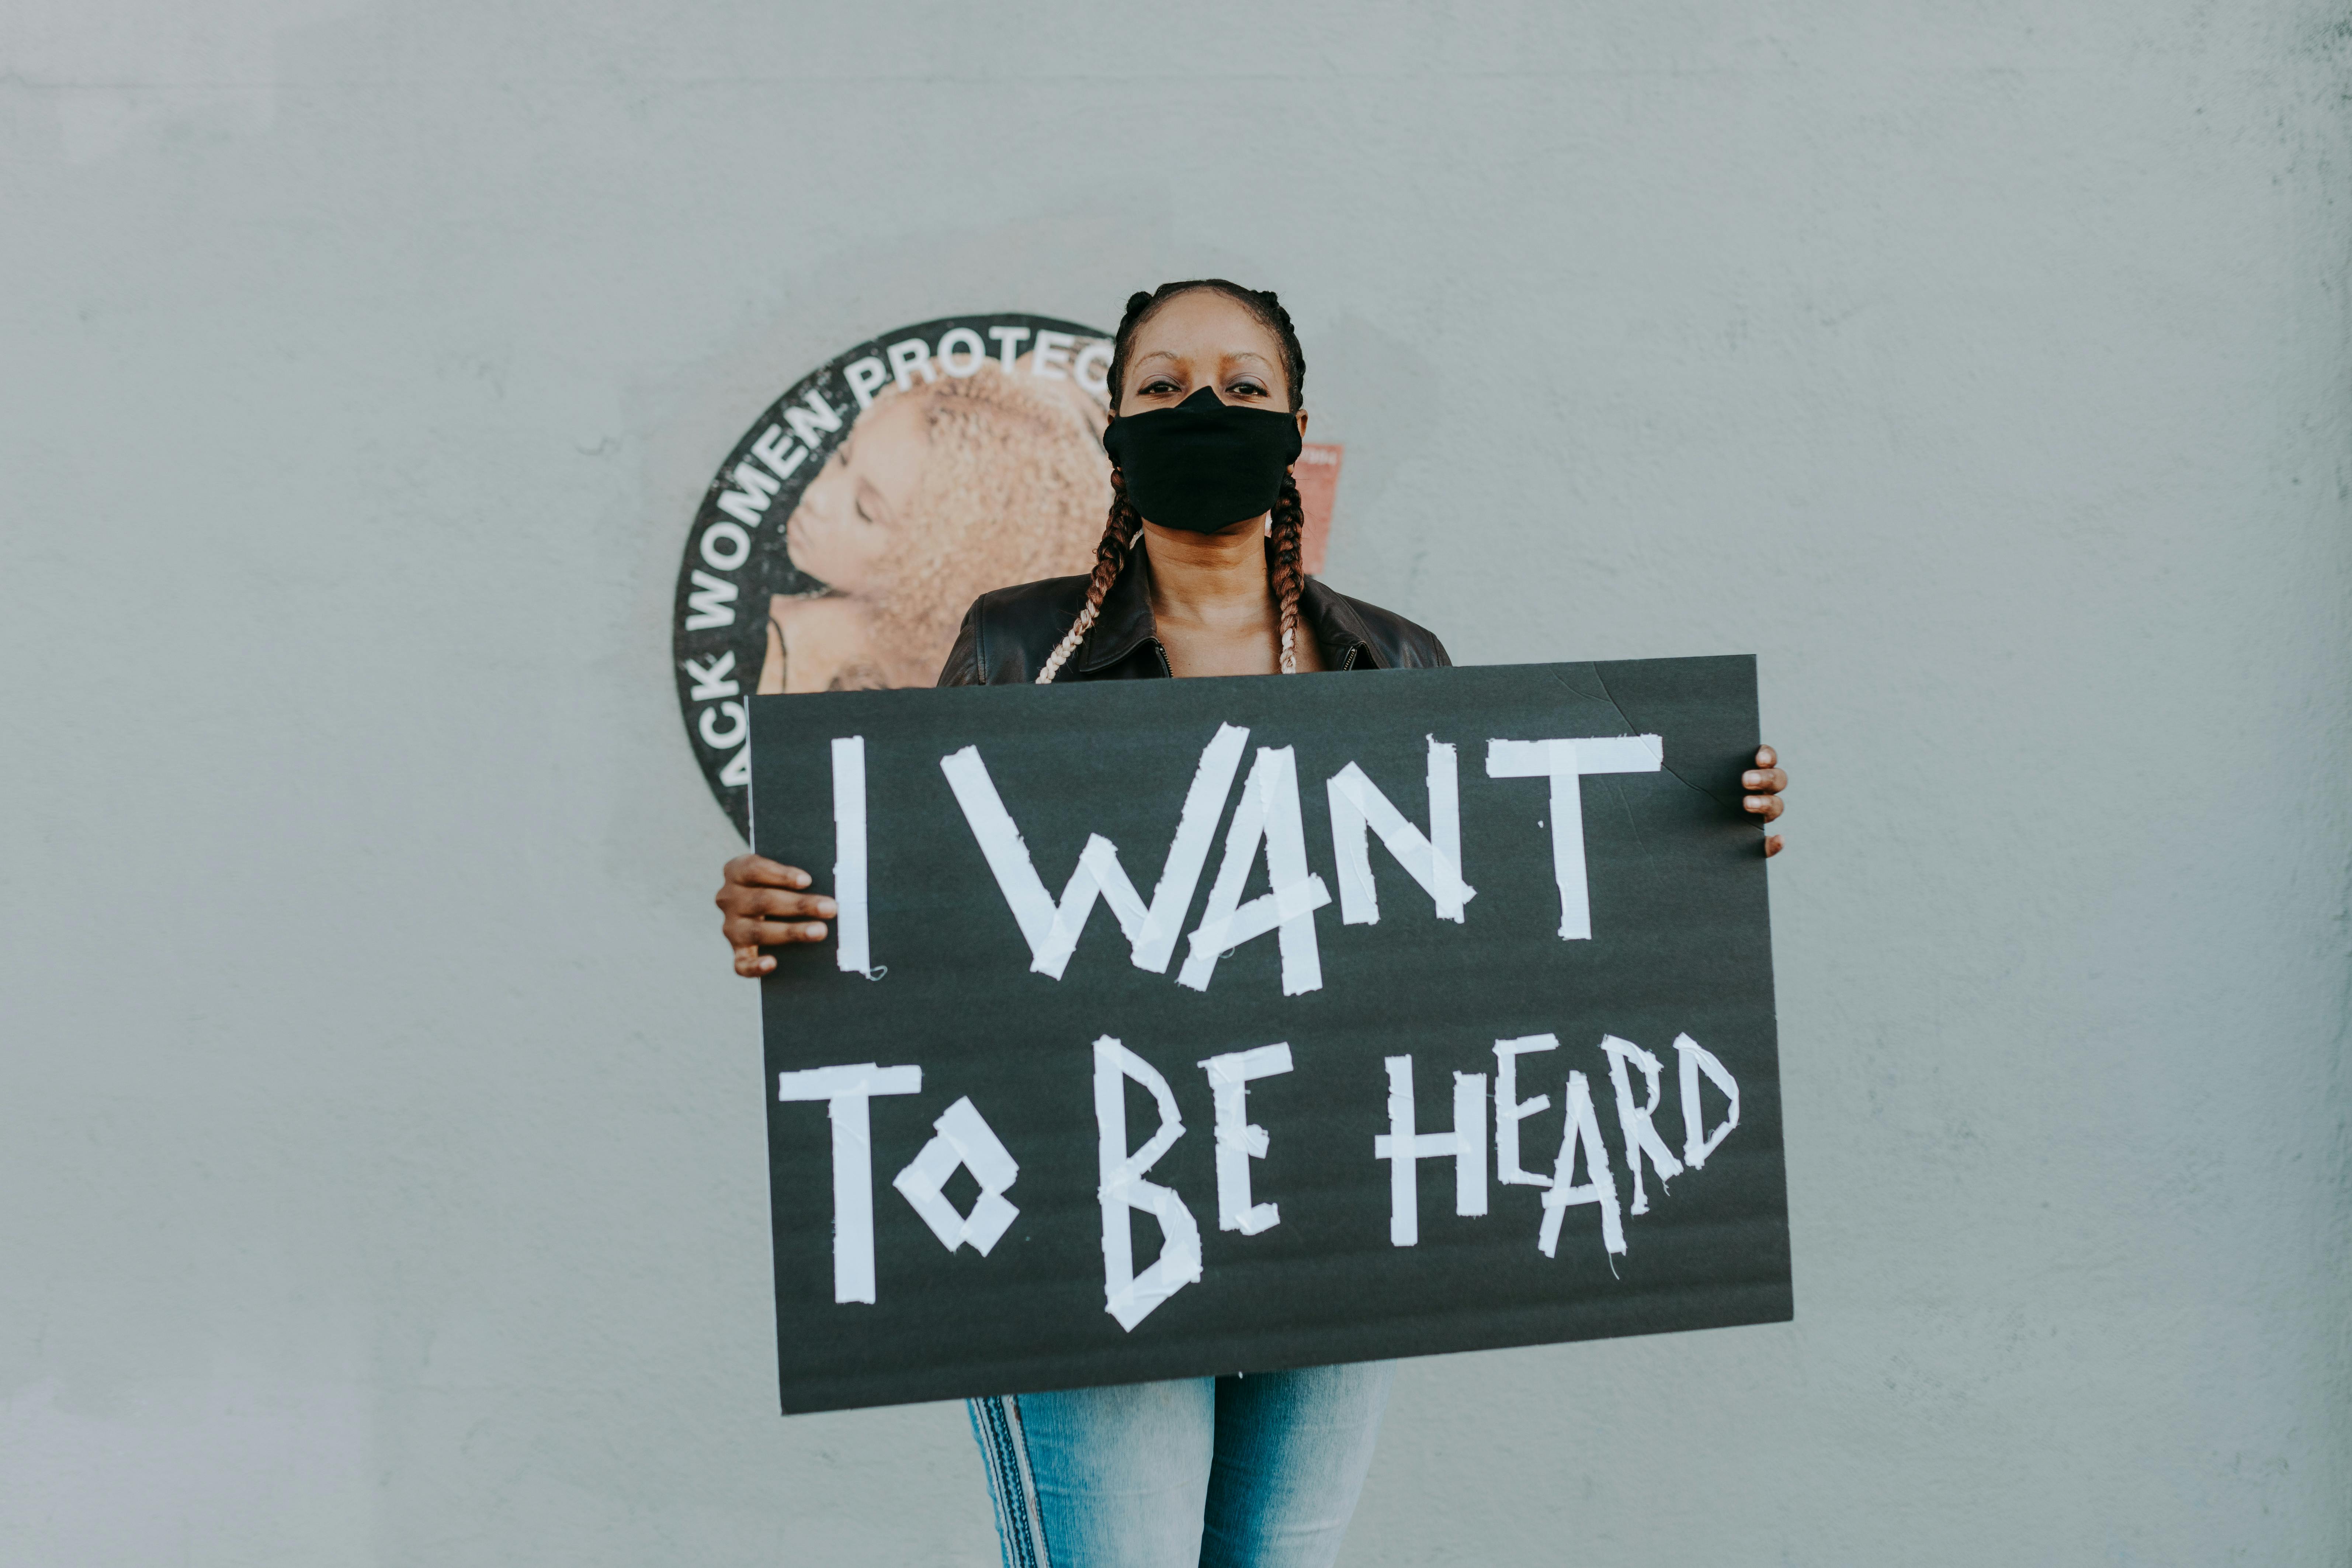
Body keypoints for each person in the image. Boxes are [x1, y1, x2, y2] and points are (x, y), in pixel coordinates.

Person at [715, 280, 1791, 1568]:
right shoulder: (1020, 648)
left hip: (1328, 1222)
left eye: (1240, 385)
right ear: (1113, 430)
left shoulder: (1392, 663)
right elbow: (929, 909)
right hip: (1086, 1227)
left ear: (1291, 425)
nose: (1201, 409)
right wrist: (786, 911)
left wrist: (1686, 829)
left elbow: (1481, 938)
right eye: (1161, 388)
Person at [758, 353, 1113, 693]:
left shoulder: (994, 668)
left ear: (945, 566)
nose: (818, 497)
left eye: (865, 510)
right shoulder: (781, 643)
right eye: (843, 458)